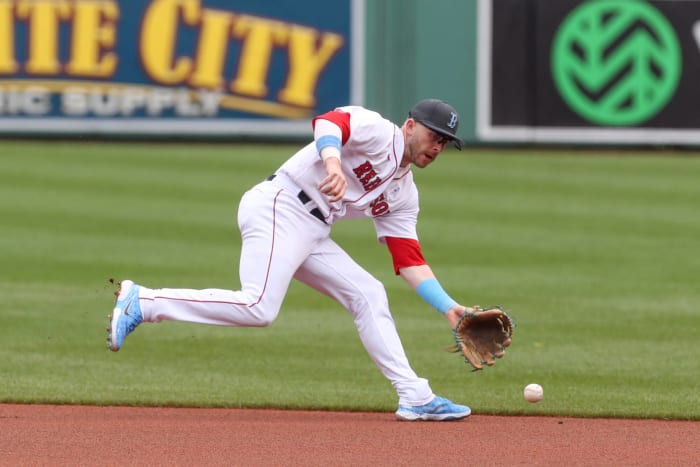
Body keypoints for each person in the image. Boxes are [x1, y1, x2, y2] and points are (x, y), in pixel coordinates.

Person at [108, 99, 475, 421]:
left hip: (312, 230)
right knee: (258, 307)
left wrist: (448, 307)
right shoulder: (378, 131)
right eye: (434, 135)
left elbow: (408, 259)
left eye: (445, 142)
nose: (438, 146)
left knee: (369, 294)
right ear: (410, 126)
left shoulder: (404, 193)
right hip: (279, 205)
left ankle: (415, 396)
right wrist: (333, 164)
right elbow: (329, 123)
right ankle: (143, 301)